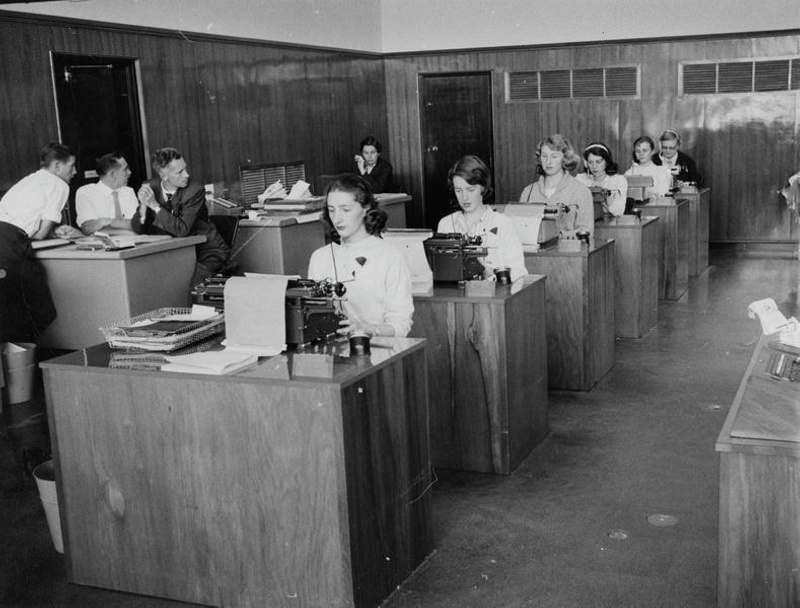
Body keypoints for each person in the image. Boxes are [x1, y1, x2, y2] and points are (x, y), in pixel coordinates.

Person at [307, 173, 413, 338]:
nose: (337, 218)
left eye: (346, 209)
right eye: (331, 210)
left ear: (366, 209)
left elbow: (400, 325)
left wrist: (367, 328)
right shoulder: (319, 257)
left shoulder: (390, 256)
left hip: (378, 350)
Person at [0, 142, 83, 342]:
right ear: (56, 167)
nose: (75, 171)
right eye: (71, 166)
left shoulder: (30, 180)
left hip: (4, 240)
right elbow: (41, 232)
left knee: (10, 308)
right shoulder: (59, 184)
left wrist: (51, 231)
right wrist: (54, 232)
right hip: (10, 243)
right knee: (40, 310)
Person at [133, 147, 230, 286]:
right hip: (177, 252)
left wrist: (154, 205)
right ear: (164, 176)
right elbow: (138, 228)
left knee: (192, 290)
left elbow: (182, 229)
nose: (187, 175)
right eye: (180, 172)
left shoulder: (194, 189)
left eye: (185, 169)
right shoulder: (150, 187)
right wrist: (143, 207)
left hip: (207, 253)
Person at [437, 155, 526, 282]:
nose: (464, 197)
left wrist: (492, 275)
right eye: (458, 191)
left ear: (483, 188)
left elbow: (519, 271)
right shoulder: (446, 224)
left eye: (470, 190)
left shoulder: (503, 223)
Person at [519, 134, 594, 238]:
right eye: (544, 156)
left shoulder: (581, 191)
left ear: (565, 159)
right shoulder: (528, 192)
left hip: (569, 252)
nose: (548, 162)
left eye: (554, 156)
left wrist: (554, 235)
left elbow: (587, 231)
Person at [75, 152, 137, 235]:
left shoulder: (128, 192)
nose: (129, 172)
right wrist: (128, 232)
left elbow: (136, 225)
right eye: (125, 169)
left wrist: (105, 222)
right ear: (112, 174)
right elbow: (89, 230)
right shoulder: (86, 193)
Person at [575, 142, 628, 217]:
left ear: (607, 161)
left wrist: (609, 204)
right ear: (586, 163)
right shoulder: (580, 179)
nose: (594, 166)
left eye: (598, 162)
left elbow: (619, 211)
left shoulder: (619, 181)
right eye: (590, 162)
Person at [624, 135, 672, 200]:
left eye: (645, 150)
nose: (641, 154)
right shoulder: (628, 174)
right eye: (638, 151)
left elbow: (664, 198)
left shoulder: (661, 172)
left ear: (652, 152)